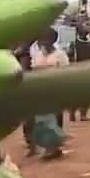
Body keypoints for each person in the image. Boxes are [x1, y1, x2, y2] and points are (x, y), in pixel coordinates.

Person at [26, 28, 69, 159]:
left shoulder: (60, 55)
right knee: (42, 120)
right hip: (40, 91)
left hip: (55, 90)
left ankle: (54, 147)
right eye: (41, 41)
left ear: (52, 41)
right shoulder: (38, 55)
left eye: (45, 40)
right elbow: (33, 69)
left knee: (55, 119)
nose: (42, 43)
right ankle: (46, 147)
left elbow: (66, 72)